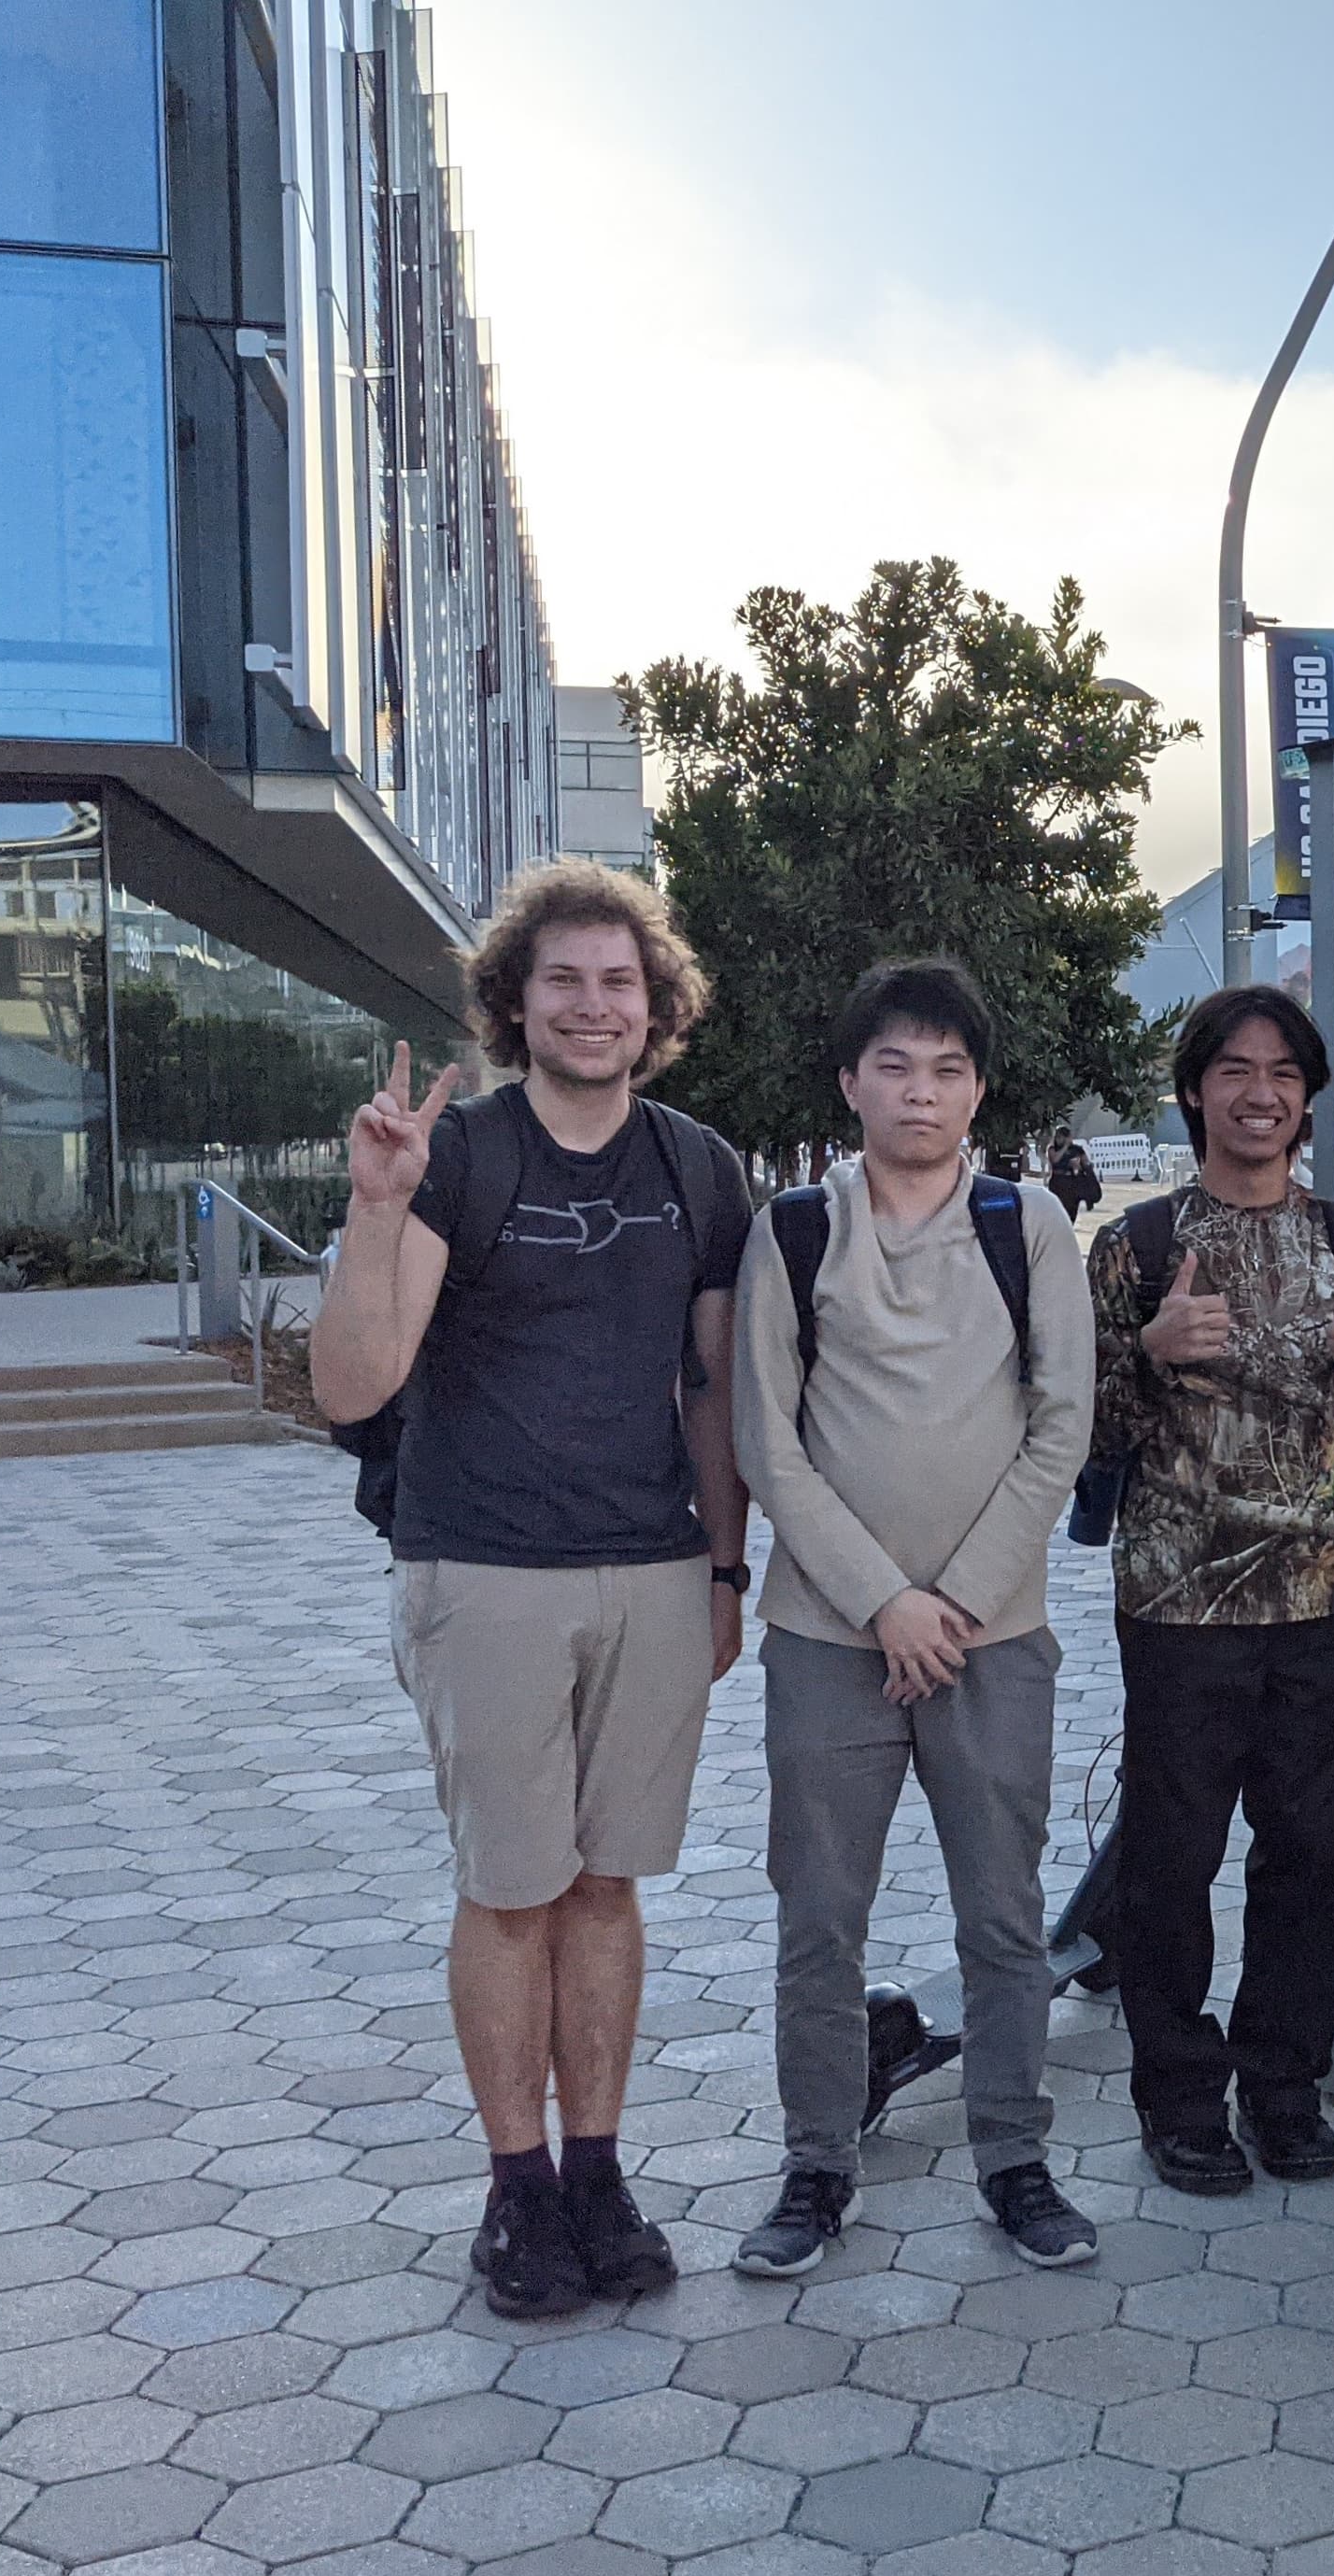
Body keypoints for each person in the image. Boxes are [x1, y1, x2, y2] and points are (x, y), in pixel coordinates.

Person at [310, 860, 754, 2319]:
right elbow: (353, 1383)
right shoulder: (462, 1155)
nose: (593, 1003)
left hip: (650, 1567)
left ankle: (599, 2170)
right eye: (563, 979)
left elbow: (710, 1393)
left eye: (619, 980)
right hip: (484, 1568)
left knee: (609, 1883)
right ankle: (516, 2191)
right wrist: (377, 1207)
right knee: (513, 1888)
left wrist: (726, 1563)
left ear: (657, 1004)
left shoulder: (698, 1164)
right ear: (515, 1001)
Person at [729, 962, 1098, 2279]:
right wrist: (885, 1600)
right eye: (894, 1064)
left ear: (978, 1089)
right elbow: (767, 1442)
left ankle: (1015, 2154)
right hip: (829, 1637)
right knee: (818, 1915)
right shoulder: (794, 1230)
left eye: (947, 1068)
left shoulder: (1030, 1223)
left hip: (993, 1638)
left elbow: (1062, 1425)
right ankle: (817, 2162)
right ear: (849, 1083)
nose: (920, 1089)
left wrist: (953, 1601)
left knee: (1004, 1915)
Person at [1087, 987, 1334, 2195]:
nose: (1260, 1091)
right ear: (1194, 1091)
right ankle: (1179, 2097)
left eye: (1283, 1071)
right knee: (1170, 1860)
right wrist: (1146, 1353)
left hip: (1313, 1603)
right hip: (1179, 1606)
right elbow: (1086, 1429)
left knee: (1316, 1850)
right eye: (1234, 1068)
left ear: (1308, 1098)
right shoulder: (1140, 1242)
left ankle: (1283, 2085)